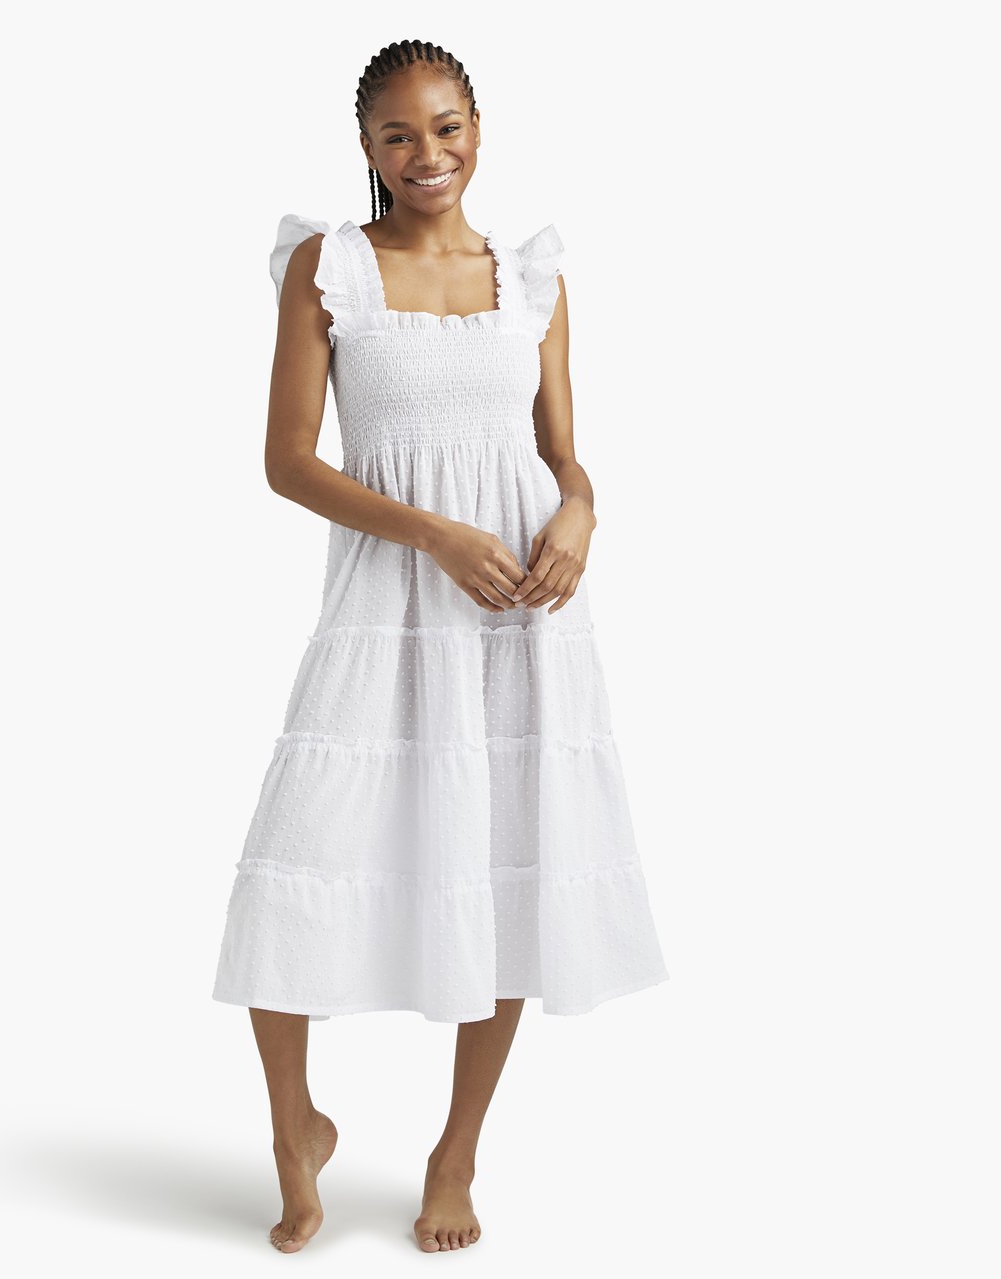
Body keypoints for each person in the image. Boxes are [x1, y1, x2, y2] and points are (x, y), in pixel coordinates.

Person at [212, 38, 669, 1254]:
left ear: (479, 130)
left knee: (506, 867)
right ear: (367, 147)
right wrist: (434, 534)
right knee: (294, 861)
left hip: (518, 614)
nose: (429, 154)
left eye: (448, 127)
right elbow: (288, 461)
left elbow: (563, 454)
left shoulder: (531, 279)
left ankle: (456, 1152)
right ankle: (295, 1126)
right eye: (400, 134)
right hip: (386, 603)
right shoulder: (328, 269)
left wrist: (580, 511)